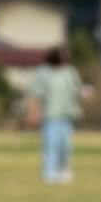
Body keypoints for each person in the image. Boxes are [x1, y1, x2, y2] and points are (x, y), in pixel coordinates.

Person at [26, 48, 86, 185]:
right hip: (50, 116)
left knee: (65, 146)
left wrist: (83, 95)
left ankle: (63, 171)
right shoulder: (43, 73)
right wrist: (33, 113)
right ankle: (49, 173)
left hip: (66, 115)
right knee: (50, 145)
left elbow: (77, 89)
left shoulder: (70, 72)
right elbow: (35, 94)